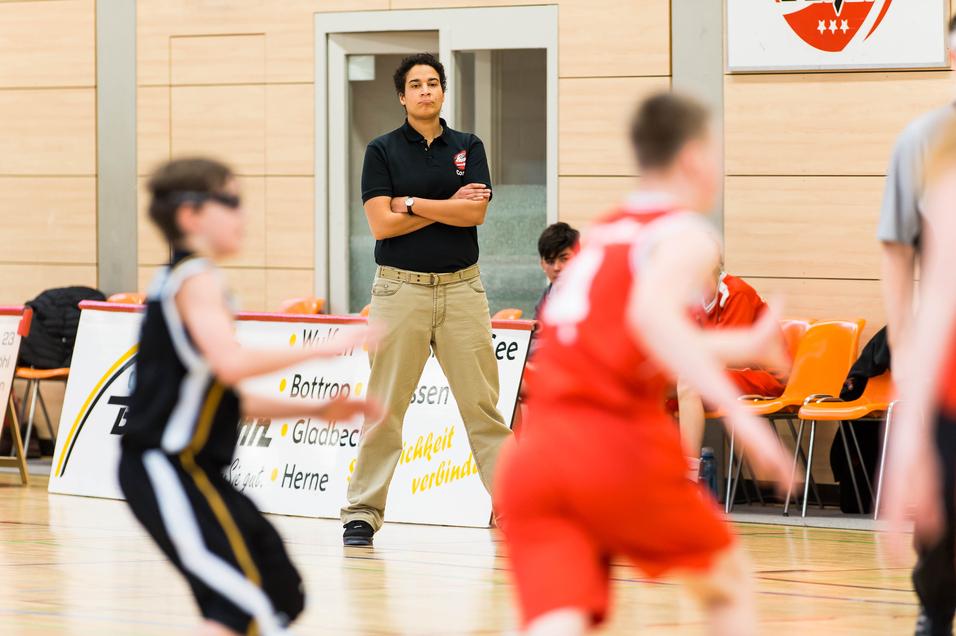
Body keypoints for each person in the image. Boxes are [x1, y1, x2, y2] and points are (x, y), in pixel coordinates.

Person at [493, 93, 793, 636]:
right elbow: (654, 319)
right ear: (695, 157)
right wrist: (748, 424)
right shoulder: (686, 235)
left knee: (562, 619)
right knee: (728, 582)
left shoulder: (603, 234)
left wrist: (740, 344)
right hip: (612, 448)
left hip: (538, 459)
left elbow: (628, 333)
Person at [118, 158, 379, 636]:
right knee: (244, 603)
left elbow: (224, 398)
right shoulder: (195, 279)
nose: (243, 214)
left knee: (280, 589)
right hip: (164, 467)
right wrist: (322, 347)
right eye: (231, 201)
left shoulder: (190, 280)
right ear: (190, 215)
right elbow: (231, 364)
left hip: (198, 472)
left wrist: (317, 409)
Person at [341, 53, 512, 547]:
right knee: (384, 409)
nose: (424, 91)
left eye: (432, 83)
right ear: (402, 96)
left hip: (463, 289)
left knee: (483, 409)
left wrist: (412, 203)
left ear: (442, 92)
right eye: (415, 85)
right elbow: (381, 224)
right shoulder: (381, 150)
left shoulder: (468, 146)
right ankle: (362, 512)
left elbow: (475, 215)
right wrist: (448, 206)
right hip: (399, 291)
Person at [878, 16, 956, 635]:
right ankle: (935, 611)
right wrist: (904, 353)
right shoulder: (927, 144)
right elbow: (899, 255)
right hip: (947, 369)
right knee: (942, 519)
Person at [677, 266, 786, 479]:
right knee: (653, 384)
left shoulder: (736, 292)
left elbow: (728, 359)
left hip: (764, 376)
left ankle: (687, 477)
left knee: (690, 382)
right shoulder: (693, 298)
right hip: (726, 375)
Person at [534, 222, 580, 320]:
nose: (556, 267)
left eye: (564, 259)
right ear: (542, 264)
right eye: (550, 262)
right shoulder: (543, 303)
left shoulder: (595, 295)